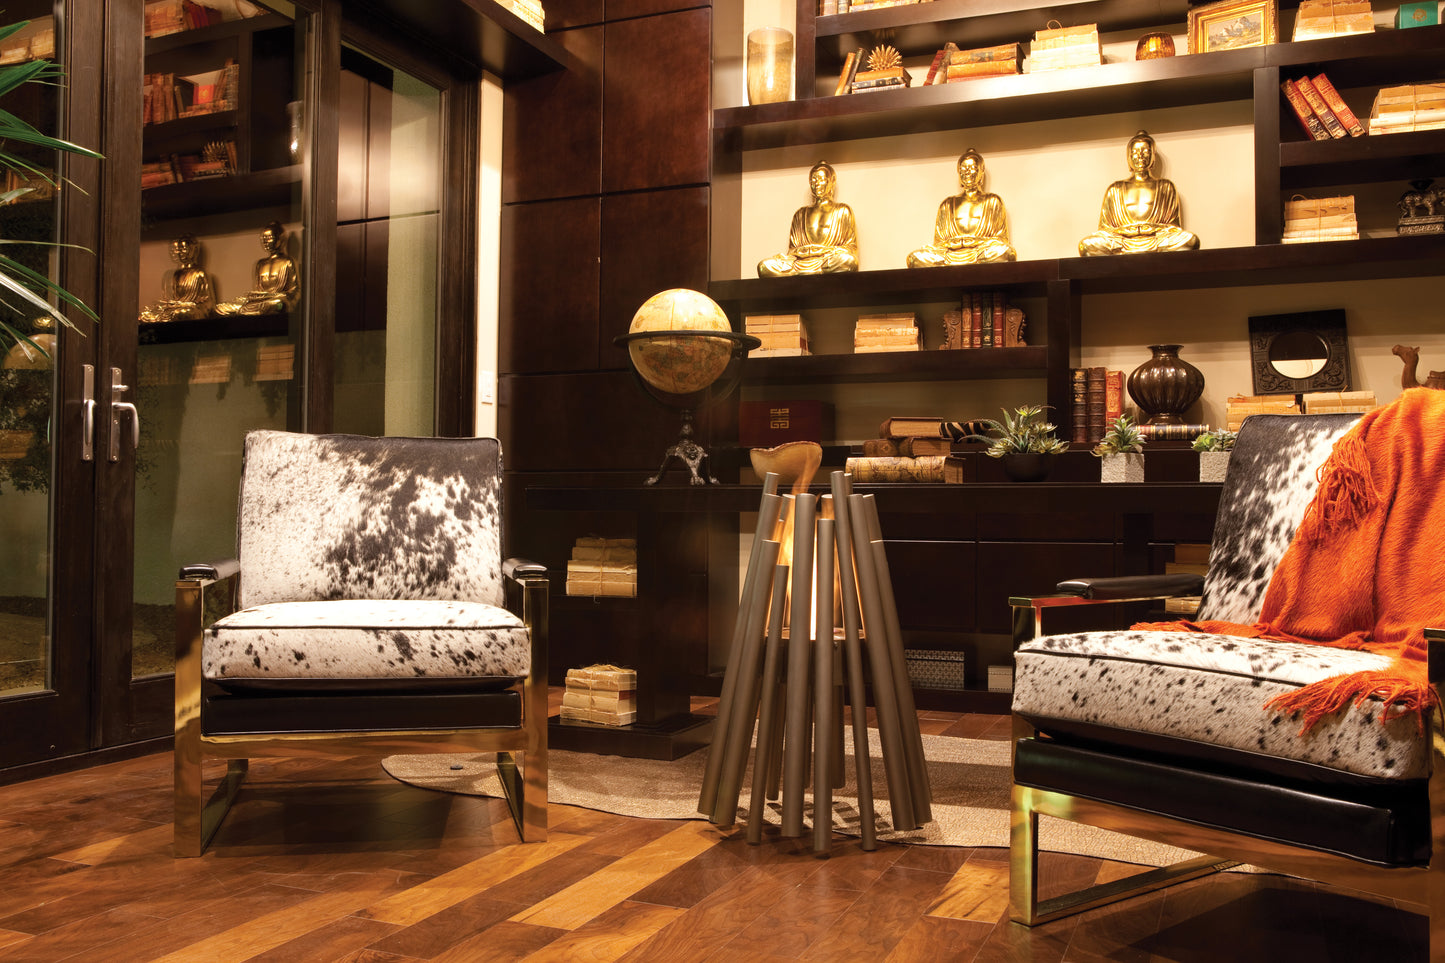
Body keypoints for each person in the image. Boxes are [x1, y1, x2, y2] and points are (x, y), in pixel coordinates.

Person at [1078, 130, 1199, 256]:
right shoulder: (1115, 189)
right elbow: (1105, 230)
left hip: (1156, 239)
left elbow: (1174, 228)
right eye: (1135, 152)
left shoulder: (1166, 187)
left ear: (1153, 156)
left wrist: (1151, 229)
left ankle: (1129, 252)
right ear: (1128, 157)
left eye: (1145, 151)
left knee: (1190, 241)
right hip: (1123, 241)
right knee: (1086, 245)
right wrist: (1127, 231)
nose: (1140, 156)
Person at [907, 149, 1016, 267]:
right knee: (914, 258)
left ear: (981, 171)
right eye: (963, 168)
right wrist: (957, 243)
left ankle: (961, 263)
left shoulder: (993, 201)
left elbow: (1001, 240)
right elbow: (938, 244)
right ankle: (956, 263)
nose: (967, 172)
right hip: (950, 254)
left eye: (973, 167)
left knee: (1007, 253)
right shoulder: (947, 204)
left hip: (980, 252)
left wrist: (975, 242)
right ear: (958, 172)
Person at [757, 160, 860, 277]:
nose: (816, 184)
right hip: (801, 263)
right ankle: (807, 272)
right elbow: (792, 252)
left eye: (821, 179)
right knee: (764, 266)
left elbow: (851, 248)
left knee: (849, 261)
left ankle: (803, 274)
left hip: (827, 261)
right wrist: (806, 251)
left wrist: (822, 251)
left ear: (832, 182)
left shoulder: (842, 211)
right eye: (813, 180)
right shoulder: (800, 214)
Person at [215, 221, 300, 316]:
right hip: (258, 301)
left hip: (275, 300)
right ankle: (249, 310)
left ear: (280, 239)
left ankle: (249, 311)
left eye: (269, 238)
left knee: (278, 304)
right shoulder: (260, 264)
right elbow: (258, 291)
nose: (266, 241)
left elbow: (295, 291)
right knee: (220, 308)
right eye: (264, 238)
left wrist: (281, 298)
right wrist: (255, 297)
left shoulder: (287, 261)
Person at [138, 234, 214, 323]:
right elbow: (167, 300)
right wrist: (170, 305)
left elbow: (208, 304)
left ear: (194, 250)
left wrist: (188, 304)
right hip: (173, 308)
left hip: (189, 309)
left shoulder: (199, 273)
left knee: (185, 312)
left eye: (183, 249)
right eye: (175, 250)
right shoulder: (168, 275)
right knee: (145, 314)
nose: (178, 253)